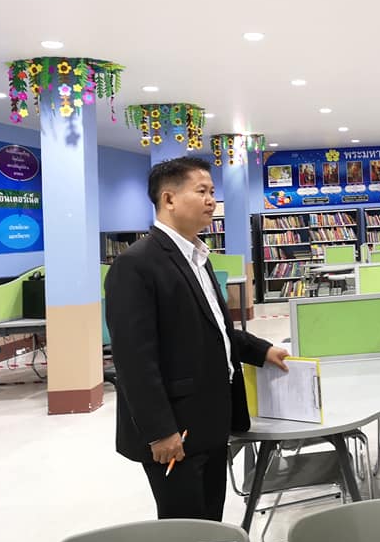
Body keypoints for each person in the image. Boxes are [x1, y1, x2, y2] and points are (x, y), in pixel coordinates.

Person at [105, 156, 289, 520]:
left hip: (210, 420)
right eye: (201, 191)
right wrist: (160, 431)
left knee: (210, 521)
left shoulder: (199, 258)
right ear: (169, 199)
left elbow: (215, 329)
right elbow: (134, 360)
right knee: (185, 528)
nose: (211, 201)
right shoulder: (136, 265)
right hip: (175, 429)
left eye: (212, 192)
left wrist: (263, 350)